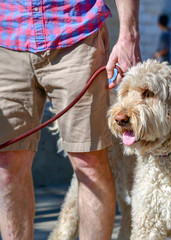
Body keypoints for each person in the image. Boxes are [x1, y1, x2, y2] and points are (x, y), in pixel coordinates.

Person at [0, 1, 141, 239]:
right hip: (7, 38)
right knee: (6, 164)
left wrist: (129, 34)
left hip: (76, 34)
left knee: (89, 162)